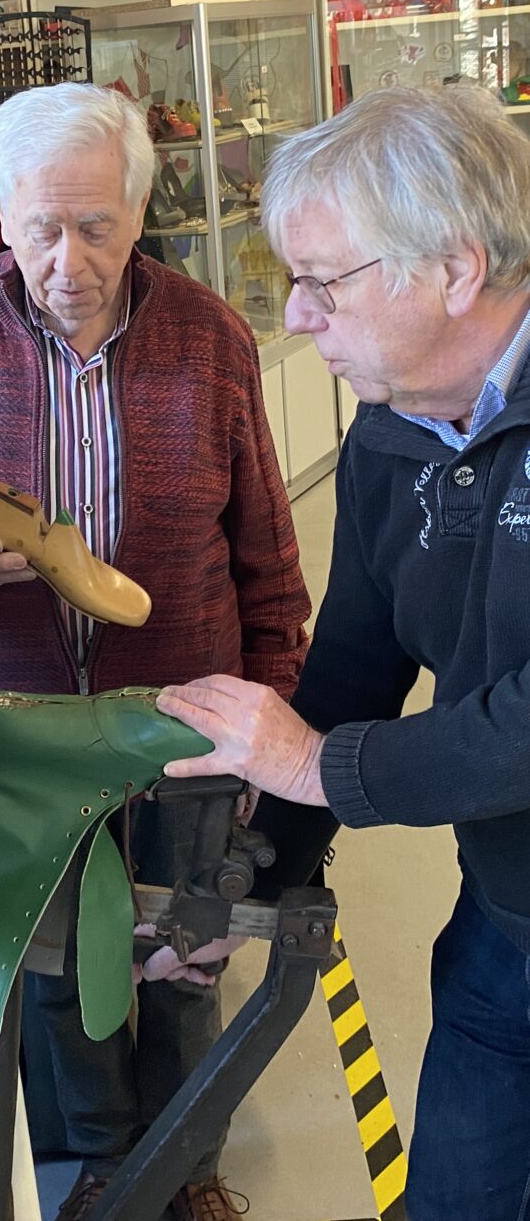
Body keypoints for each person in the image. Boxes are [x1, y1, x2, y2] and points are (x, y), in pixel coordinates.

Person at [0, 82, 310, 1221]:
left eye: (96, 226)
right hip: (18, 731)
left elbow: (267, 557)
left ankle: (185, 1170)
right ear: (0, 214)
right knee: (60, 965)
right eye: (41, 227)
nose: (68, 259)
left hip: (183, 718)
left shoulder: (209, 336)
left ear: (141, 213)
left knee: (185, 950)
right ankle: (101, 1167)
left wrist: (268, 732)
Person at [157, 85, 530, 1221]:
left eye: (324, 283)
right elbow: (357, 662)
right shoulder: (395, 420)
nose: (301, 317)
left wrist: (328, 769)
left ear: (454, 270)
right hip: (506, 915)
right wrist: (244, 891)